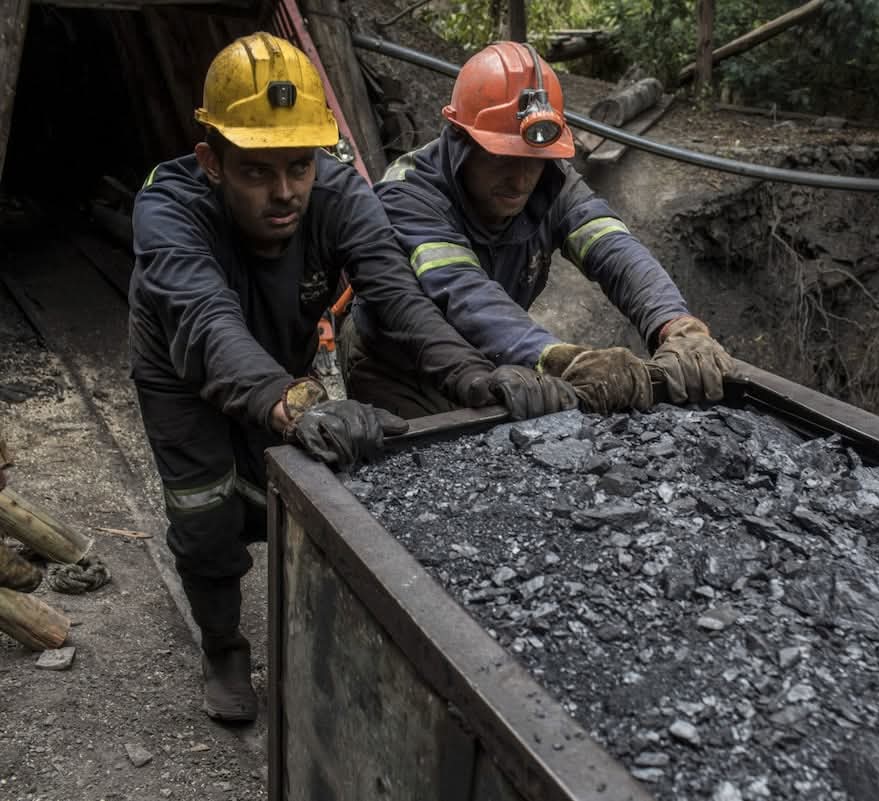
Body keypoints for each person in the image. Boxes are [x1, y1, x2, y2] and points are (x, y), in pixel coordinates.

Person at [128, 33, 572, 723]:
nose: (284, 192)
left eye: (299, 166)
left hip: (280, 346)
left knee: (289, 480)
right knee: (204, 505)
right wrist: (294, 400)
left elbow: (396, 295)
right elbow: (208, 322)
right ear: (212, 162)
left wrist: (476, 376)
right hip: (180, 363)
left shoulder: (337, 193)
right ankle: (223, 646)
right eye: (257, 171)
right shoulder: (167, 210)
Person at [340, 41, 733, 417]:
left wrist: (674, 323)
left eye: (535, 159)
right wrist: (559, 358)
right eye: (503, 158)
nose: (521, 179)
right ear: (460, 140)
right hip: (399, 370)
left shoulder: (550, 180)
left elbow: (614, 249)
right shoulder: (409, 193)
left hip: (494, 360)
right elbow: (463, 293)